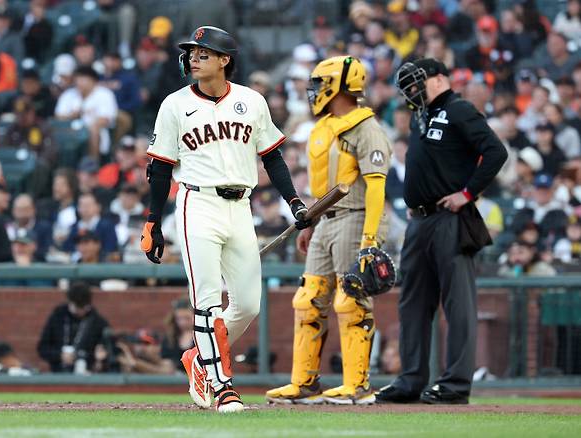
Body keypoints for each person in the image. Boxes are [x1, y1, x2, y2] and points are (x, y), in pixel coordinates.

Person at [141, 26, 308, 413]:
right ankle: (222, 387)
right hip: (196, 203)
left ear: (224, 60)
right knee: (207, 303)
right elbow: (161, 169)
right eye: (193, 53)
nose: (194, 58)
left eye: (203, 52)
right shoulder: (174, 104)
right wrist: (153, 221)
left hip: (239, 207)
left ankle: (198, 357)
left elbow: (273, 158)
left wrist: (295, 201)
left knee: (248, 304)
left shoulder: (251, 101)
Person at [376, 59, 507, 405]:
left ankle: (455, 385)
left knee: (457, 303)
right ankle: (410, 380)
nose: (411, 91)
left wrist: (467, 193)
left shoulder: (459, 108)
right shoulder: (422, 115)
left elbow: (495, 151)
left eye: (417, 82)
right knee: (412, 303)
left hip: (450, 218)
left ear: (438, 79)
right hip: (418, 221)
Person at [266, 56, 392, 405]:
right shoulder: (324, 127)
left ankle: (358, 386)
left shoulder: (366, 128)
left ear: (339, 85)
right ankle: (304, 383)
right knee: (308, 301)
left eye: (321, 85)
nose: (315, 92)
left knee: (350, 300)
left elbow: (377, 187)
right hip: (326, 219)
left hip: (355, 215)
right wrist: (313, 222)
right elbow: (326, 187)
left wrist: (370, 240)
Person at [37, 282, 110, 373]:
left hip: (86, 373)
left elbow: (106, 353)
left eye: (83, 307)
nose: (80, 311)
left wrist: (98, 359)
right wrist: (60, 355)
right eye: (77, 307)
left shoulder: (97, 322)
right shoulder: (58, 316)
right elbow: (42, 348)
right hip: (58, 372)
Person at [55, 66, 118, 159]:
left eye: (83, 79)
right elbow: (58, 116)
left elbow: (107, 119)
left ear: (93, 81)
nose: (79, 83)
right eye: (77, 79)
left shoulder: (104, 94)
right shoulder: (68, 94)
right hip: (70, 131)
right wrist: (71, 116)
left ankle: (92, 165)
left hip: (94, 132)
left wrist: (87, 126)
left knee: (93, 129)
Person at [161, 298, 195, 371]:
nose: (183, 323)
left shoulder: (203, 336)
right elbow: (165, 359)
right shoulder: (170, 336)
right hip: (174, 376)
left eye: (187, 318)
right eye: (179, 319)